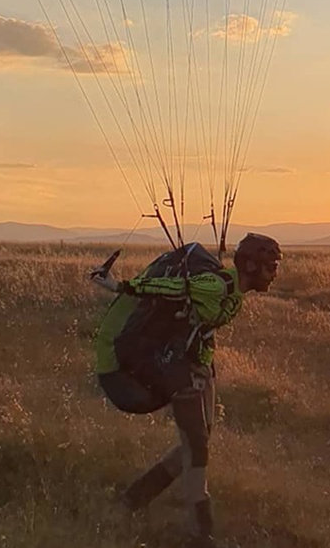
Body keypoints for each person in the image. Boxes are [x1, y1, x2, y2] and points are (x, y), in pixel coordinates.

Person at [89, 232, 283, 546]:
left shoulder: (232, 288)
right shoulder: (216, 285)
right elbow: (170, 287)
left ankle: (132, 499)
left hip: (199, 365)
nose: (274, 274)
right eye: (270, 267)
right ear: (250, 265)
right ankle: (200, 533)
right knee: (196, 444)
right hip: (180, 367)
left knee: (200, 439)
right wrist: (120, 286)